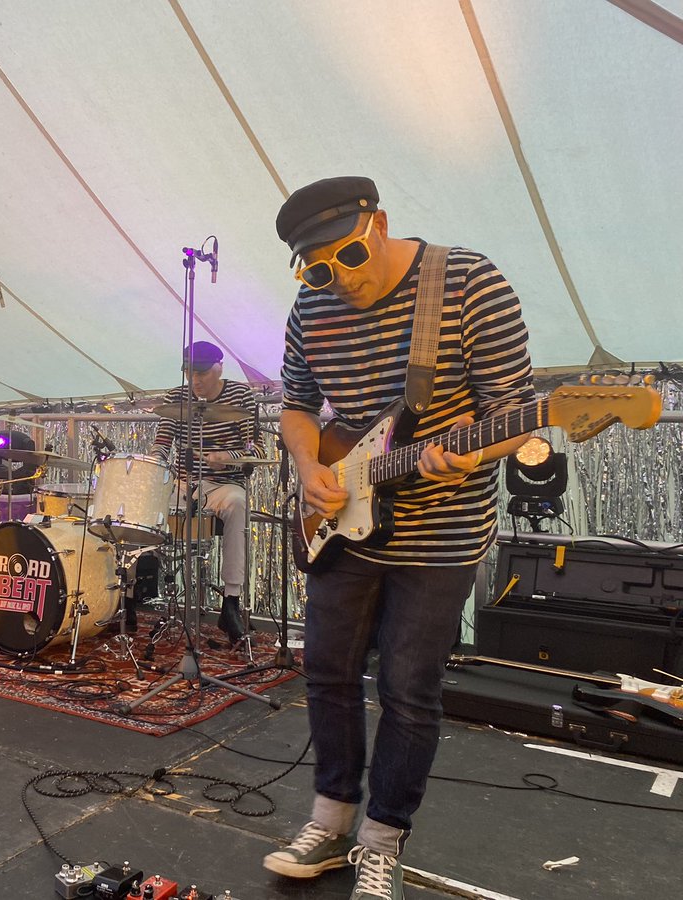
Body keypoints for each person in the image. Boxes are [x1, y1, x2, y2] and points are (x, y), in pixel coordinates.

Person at [263, 176, 534, 899]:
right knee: (325, 673)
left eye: (348, 256)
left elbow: (517, 414)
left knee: (409, 691)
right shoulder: (311, 304)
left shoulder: (468, 282)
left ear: (377, 224)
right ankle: (329, 819)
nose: (337, 280)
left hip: (440, 534)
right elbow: (294, 403)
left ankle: (382, 842)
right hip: (342, 524)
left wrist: (473, 452)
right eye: (317, 268)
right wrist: (307, 463)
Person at [151, 340, 264, 645]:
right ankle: (134, 593)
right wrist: (150, 466)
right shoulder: (177, 397)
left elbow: (257, 448)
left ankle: (231, 602)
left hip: (224, 484)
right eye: (189, 373)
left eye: (201, 373)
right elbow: (162, 445)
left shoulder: (241, 395)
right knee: (142, 505)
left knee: (238, 504)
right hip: (183, 484)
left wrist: (226, 457)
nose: (196, 380)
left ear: (219, 368)